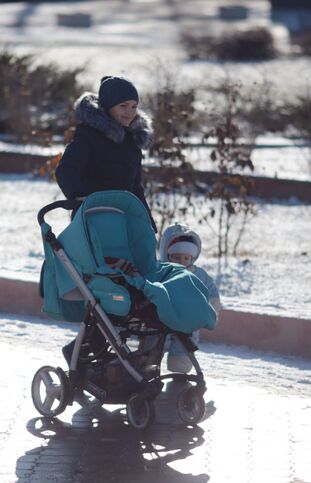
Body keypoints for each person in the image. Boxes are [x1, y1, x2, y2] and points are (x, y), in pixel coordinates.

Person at [55, 75, 155, 228]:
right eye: (123, 105)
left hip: (124, 219)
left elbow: (135, 188)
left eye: (134, 106)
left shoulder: (132, 141)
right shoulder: (88, 135)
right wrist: (80, 198)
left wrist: (147, 223)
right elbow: (66, 170)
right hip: (92, 218)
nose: (129, 112)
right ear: (108, 106)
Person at [158, 222, 221, 373]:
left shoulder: (198, 274)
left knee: (184, 347)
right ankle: (146, 366)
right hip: (160, 319)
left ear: (192, 257)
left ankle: (179, 372)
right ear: (168, 255)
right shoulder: (161, 270)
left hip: (188, 321)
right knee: (155, 344)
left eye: (186, 258)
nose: (182, 262)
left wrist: (209, 308)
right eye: (177, 257)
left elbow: (211, 292)